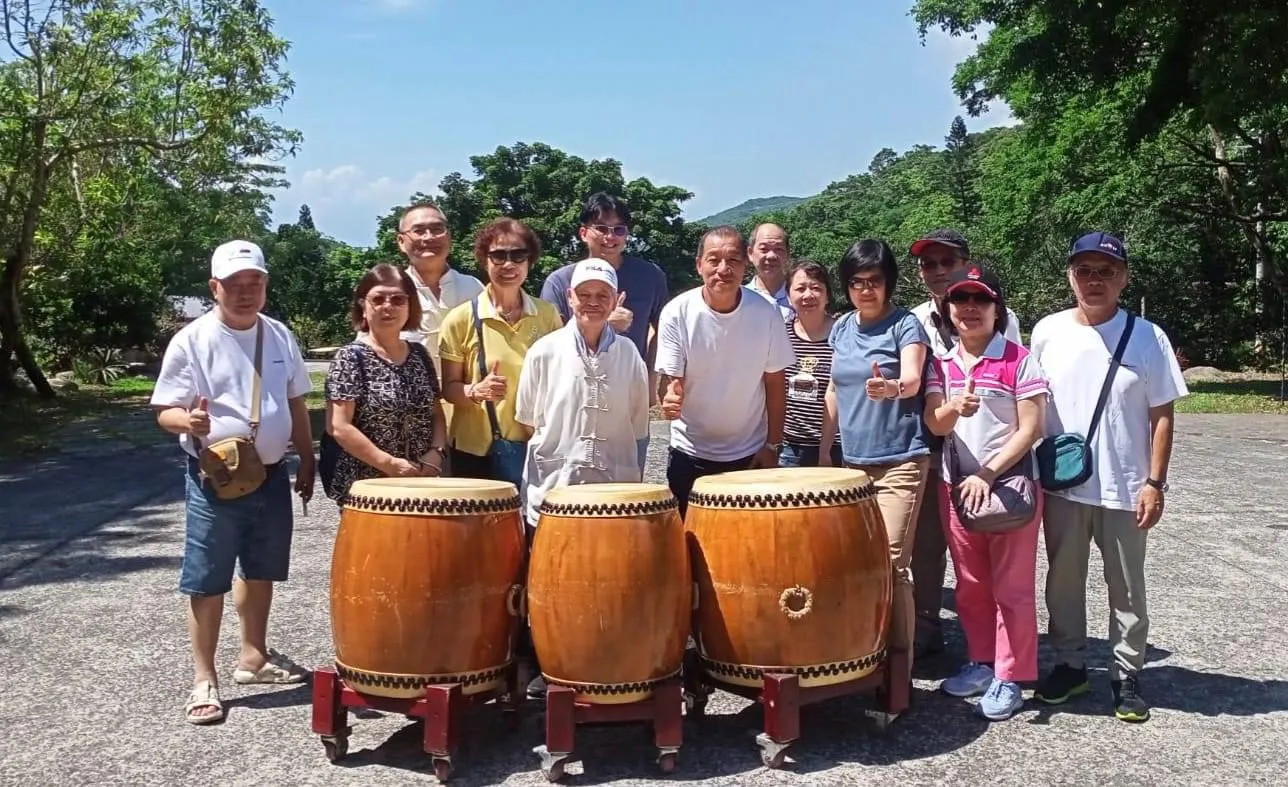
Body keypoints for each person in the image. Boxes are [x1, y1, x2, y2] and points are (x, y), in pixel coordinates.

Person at [150, 240, 314, 725]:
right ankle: (204, 678)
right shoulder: (193, 340)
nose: (246, 293)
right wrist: (189, 423)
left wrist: (306, 458)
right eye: (235, 285)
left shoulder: (279, 335)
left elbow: (297, 403)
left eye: (255, 283)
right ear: (214, 288)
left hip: (268, 473)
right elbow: (165, 411)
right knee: (207, 577)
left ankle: (253, 657)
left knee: (262, 568)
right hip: (214, 478)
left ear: (265, 284)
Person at [1030, 232, 1188, 723]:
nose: (1094, 280)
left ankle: (1126, 674)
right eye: (1085, 270)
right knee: (1062, 580)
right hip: (1064, 482)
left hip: (1126, 483)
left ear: (1124, 277)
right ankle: (1071, 664)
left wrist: (1155, 482)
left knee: (1127, 585)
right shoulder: (1047, 331)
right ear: (1070, 276)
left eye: (1106, 271)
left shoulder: (1147, 335)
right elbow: (1032, 402)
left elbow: (1162, 414)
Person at [923, 264, 1048, 721]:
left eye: (981, 300)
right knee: (971, 586)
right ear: (947, 309)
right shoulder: (943, 363)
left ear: (998, 309)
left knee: (1012, 588)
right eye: (960, 300)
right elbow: (935, 422)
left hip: (1010, 489)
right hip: (957, 489)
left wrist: (989, 473)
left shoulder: (1019, 358)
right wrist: (953, 407)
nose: (969, 309)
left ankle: (1011, 676)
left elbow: (1032, 427)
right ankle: (981, 662)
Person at [819, 238, 931, 703]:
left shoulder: (906, 325)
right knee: (856, 564)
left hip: (901, 458)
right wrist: (825, 450)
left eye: (875, 282)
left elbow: (914, 380)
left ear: (889, 284)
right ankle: (864, 652)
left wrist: (893, 389)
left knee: (890, 563)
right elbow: (833, 390)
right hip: (852, 464)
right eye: (857, 283)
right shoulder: (842, 327)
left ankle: (898, 664)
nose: (866, 290)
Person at [907, 228, 1023, 660]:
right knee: (931, 542)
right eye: (928, 264)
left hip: (988, 455)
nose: (937, 271)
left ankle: (1001, 646)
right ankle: (927, 624)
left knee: (993, 550)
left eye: (946, 262)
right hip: (931, 446)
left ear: (965, 264)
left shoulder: (1000, 318)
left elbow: (1014, 389)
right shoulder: (914, 321)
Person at [655, 225, 795, 516]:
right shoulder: (677, 311)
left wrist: (773, 445)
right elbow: (670, 381)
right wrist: (668, 397)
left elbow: (775, 381)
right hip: (690, 451)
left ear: (745, 263)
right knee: (690, 542)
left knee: (750, 546)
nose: (723, 269)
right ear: (699, 265)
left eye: (732, 260)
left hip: (749, 451)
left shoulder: (766, 312)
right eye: (714, 260)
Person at [539, 193, 669, 475]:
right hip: (574, 399)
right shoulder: (560, 281)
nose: (610, 237)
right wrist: (604, 325)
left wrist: (650, 380)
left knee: (626, 485)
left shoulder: (650, 276)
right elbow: (552, 341)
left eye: (618, 229)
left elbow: (664, 331)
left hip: (627, 396)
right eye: (601, 228)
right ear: (584, 232)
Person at [516, 258, 651, 526]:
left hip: (614, 491)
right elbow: (527, 421)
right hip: (555, 486)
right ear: (569, 297)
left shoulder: (629, 353)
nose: (593, 302)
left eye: (603, 295)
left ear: (615, 300)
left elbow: (638, 425)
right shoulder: (544, 351)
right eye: (584, 294)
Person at [439, 218, 563, 481]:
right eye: (498, 255)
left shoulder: (547, 315)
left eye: (518, 255)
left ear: (530, 261)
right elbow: (449, 389)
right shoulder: (460, 319)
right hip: (476, 451)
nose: (508, 264)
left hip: (536, 444)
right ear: (484, 260)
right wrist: (475, 390)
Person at [324, 263, 449, 503]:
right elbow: (338, 427)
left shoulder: (420, 355)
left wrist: (437, 453)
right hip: (369, 489)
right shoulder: (350, 357)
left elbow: (436, 412)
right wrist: (389, 464)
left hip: (422, 482)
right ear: (363, 305)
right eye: (378, 299)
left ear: (410, 305)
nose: (388, 307)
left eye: (398, 299)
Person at [389, 202, 485, 381]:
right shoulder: (388, 294)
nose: (429, 237)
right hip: (413, 404)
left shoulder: (474, 288)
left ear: (449, 237)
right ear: (401, 242)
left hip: (469, 401)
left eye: (437, 229)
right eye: (419, 231)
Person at [778, 259, 842, 467]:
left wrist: (825, 451)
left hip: (837, 448)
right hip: (789, 448)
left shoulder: (843, 334)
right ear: (788, 296)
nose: (808, 295)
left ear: (827, 295)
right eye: (800, 288)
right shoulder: (779, 334)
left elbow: (837, 392)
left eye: (816, 288)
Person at [747, 223, 794, 318]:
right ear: (750, 253)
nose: (771, 256)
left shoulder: (802, 298)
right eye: (764, 249)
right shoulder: (739, 299)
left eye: (778, 249)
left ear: (787, 253)